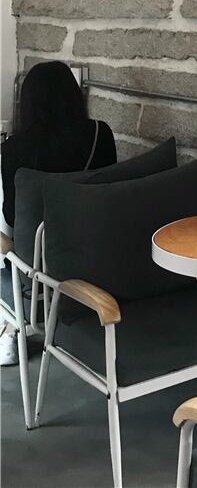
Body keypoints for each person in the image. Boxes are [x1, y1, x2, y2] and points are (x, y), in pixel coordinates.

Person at [0, 60, 116, 365]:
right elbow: (109, 192)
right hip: (95, 257)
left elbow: (11, 217)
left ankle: (11, 329)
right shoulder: (100, 134)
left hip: (39, 273)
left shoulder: (14, 149)